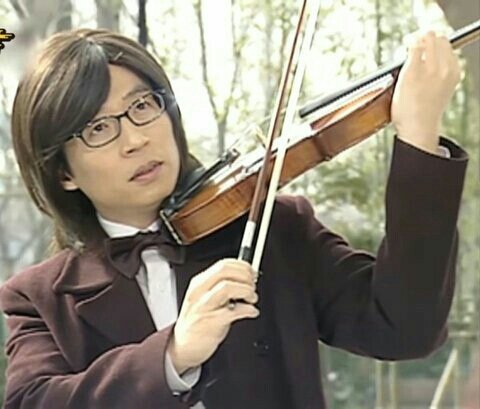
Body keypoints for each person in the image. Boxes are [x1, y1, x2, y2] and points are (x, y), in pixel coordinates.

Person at [0, 27, 468, 409]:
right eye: (100, 128)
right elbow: (32, 401)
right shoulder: (38, 299)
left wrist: (419, 137)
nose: (136, 139)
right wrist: (173, 355)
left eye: (142, 106)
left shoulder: (276, 229)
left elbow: (404, 328)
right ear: (63, 173)